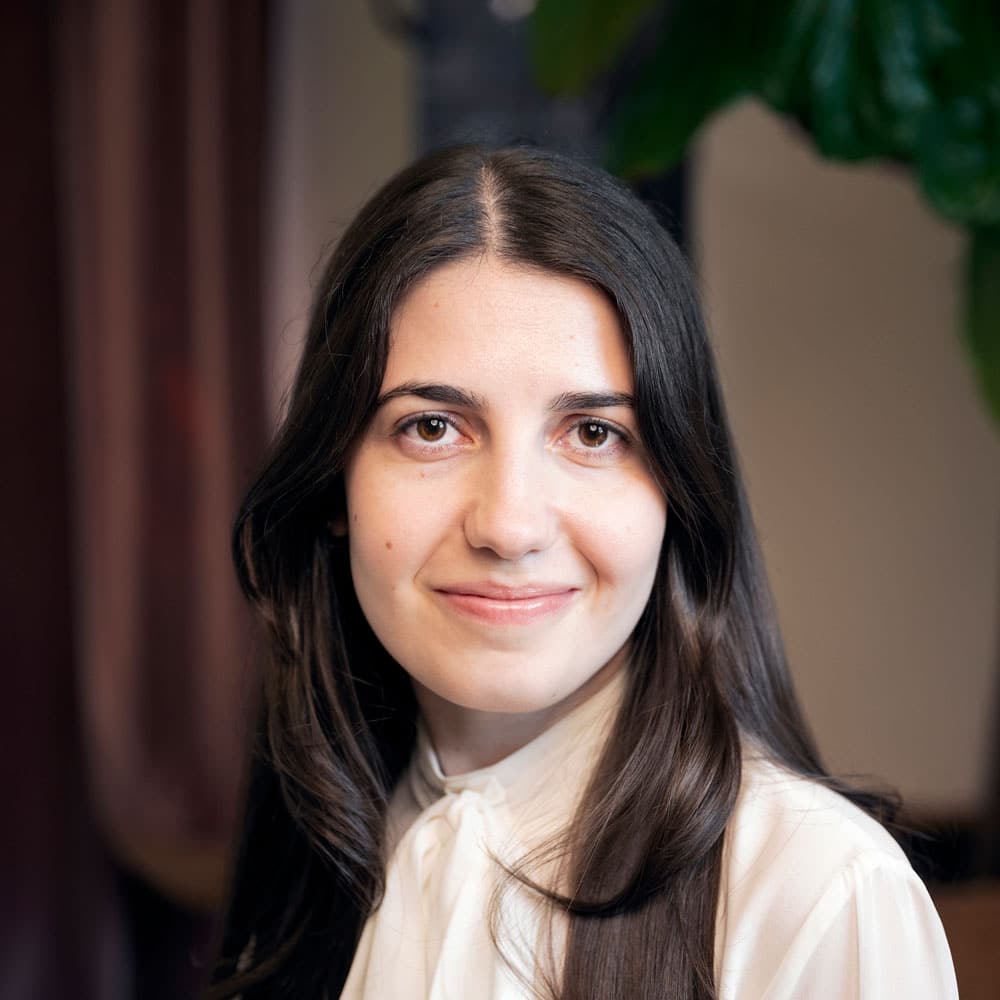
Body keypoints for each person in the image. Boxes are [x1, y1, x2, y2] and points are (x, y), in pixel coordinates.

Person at [206, 145, 958, 1000]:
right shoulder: (319, 848)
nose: (510, 525)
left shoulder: (818, 897)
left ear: (679, 488)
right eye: (431, 428)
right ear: (333, 482)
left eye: (593, 434)